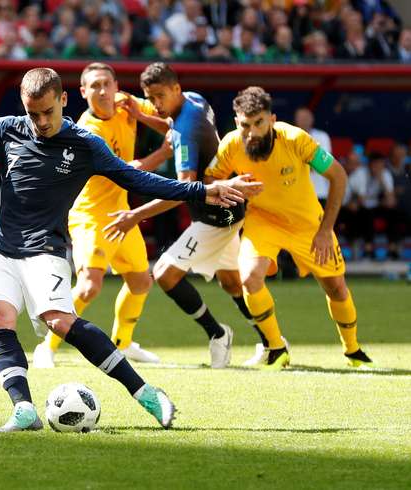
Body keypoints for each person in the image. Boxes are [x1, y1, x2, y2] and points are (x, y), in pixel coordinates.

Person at [0, 68, 248, 432]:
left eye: (48, 112)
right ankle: (23, 409)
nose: (41, 122)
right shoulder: (7, 130)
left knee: (58, 320)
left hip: (45, 248)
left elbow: (138, 179)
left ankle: (146, 393)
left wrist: (202, 189)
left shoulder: (86, 145)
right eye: (33, 113)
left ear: (64, 100)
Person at [103, 63, 266, 368]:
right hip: (231, 209)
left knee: (165, 274)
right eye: (151, 97)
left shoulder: (186, 128)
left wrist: (135, 215)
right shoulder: (194, 100)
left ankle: (217, 334)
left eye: (160, 96)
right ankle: (272, 342)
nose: (157, 103)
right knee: (231, 282)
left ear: (175, 88)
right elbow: (173, 129)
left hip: (214, 215)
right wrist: (143, 116)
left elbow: (184, 190)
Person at [204, 86, 374, 370]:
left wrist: (324, 232)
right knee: (249, 279)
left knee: (336, 288)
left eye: (258, 122)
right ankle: (276, 348)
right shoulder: (231, 145)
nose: (252, 131)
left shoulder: (296, 138)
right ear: (236, 123)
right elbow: (210, 180)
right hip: (263, 221)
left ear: (271, 119)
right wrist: (231, 187)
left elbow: (339, 176)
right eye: (245, 124)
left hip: (308, 224)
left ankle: (353, 351)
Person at [33, 62, 174, 369]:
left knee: (141, 282)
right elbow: (121, 173)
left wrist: (142, 115)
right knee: (89, 286)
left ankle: (123, 343)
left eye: (106, 84)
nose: (102, 91)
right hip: (91, 216)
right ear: (83, 93)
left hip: (122, 213)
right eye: (94, 86)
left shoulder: (128, 104)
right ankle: (47, 345)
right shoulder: (86, 130)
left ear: (115, 86)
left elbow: (173, 117)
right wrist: (163, 154)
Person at [294, 106, 332, 208]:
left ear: (312, 119)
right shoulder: (290, 137)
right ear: (296, 119)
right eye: (301, 118)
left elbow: (323, 164)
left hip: (319, 192)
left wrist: (300, 164)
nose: (304, 121)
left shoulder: (322, 136)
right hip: (297, 194)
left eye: (306, 118)